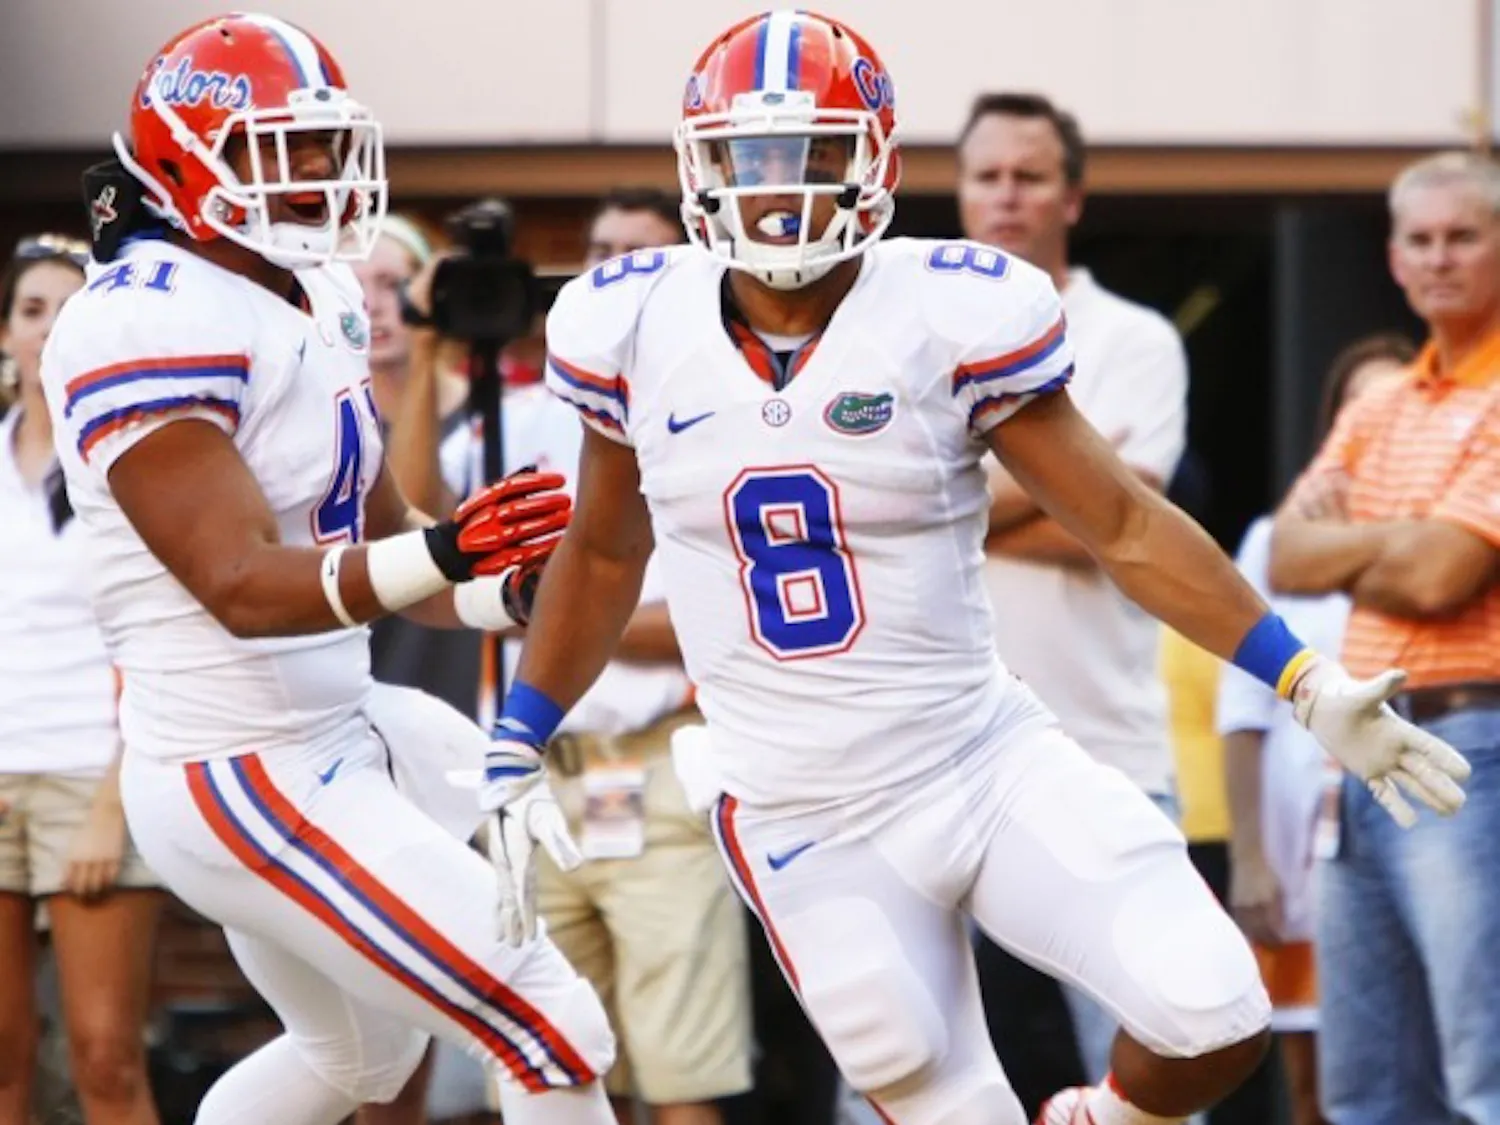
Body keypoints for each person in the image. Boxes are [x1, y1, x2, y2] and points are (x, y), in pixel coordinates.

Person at [471, 12, 1471, 1125]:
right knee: (938, 1096)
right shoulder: (631, 321)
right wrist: (519, 735)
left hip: (978, 759)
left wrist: (1307, 682)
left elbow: (1124, 525)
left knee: (1215, 1010)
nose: (781, 187)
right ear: (702, 166)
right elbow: (606, 553)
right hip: (800, 805)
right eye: (753, 157)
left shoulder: (950, 308)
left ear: (877, 158)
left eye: (818, 151)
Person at [40, 15, 614, 1125]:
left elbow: (385, 533)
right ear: (179, 159)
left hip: (341, 728)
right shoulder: (141, 321)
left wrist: (504, 587)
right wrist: (442, 551)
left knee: (358, 1063)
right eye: (276, 146)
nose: (313, 171)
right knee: (551, 1020)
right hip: (237, 767)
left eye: (322, 142)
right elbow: (244, 587)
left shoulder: (317, 292)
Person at [388, 189, 755, 1125]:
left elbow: (710, 621)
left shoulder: (728, 409)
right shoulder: (523, 411)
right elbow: (412, 522)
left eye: (640, 251)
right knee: (554, 1062)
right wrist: (430, 347)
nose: (615, 270)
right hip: (536, 775)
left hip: (661, 769)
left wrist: (545, 614)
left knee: (681, 1077)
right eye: (598, 251)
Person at [955, 91, 1192, 1091]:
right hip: (938, 768)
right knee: (924, 1075)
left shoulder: (1134, 338)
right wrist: (1075, 486)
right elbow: (1097, 505)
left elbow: (1126, 527)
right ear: (960, 191)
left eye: (1030, 176)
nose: (1007, 196)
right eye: (987, 176)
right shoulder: (907, 336)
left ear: (1074, 196)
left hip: (1105, 754)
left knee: (1150, 1060)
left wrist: (937, 502)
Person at [1271, 150, 1500, 1125]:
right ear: (1395, 260)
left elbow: (1444, 574)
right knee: (1366, 1086)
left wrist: (1347, 537)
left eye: (1464, 236)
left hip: (1473, 745)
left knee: (1482, 1069)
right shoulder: (1376, 402)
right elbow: (1283, 555)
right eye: (1421, 239)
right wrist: (1397, 540)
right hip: (1360, 757)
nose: (1439, 257)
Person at [1218, 333, 1410, 1125]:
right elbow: (1241, 712)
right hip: (1304, 850)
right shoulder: (1274, 542)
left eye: (1399, 402)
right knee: (1316, 1087)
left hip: (1422, 829)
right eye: (1361, 403)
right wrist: (1250, 861)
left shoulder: (1461, 533)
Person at [0, 233, 166, 1125]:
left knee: (105, 1053)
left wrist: (112, 799)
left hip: (93, 773)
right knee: (2, 1057)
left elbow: (157, 639)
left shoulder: (125, 464)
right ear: (6, 330)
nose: (47, 329)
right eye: (31, 309)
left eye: (69, 309)